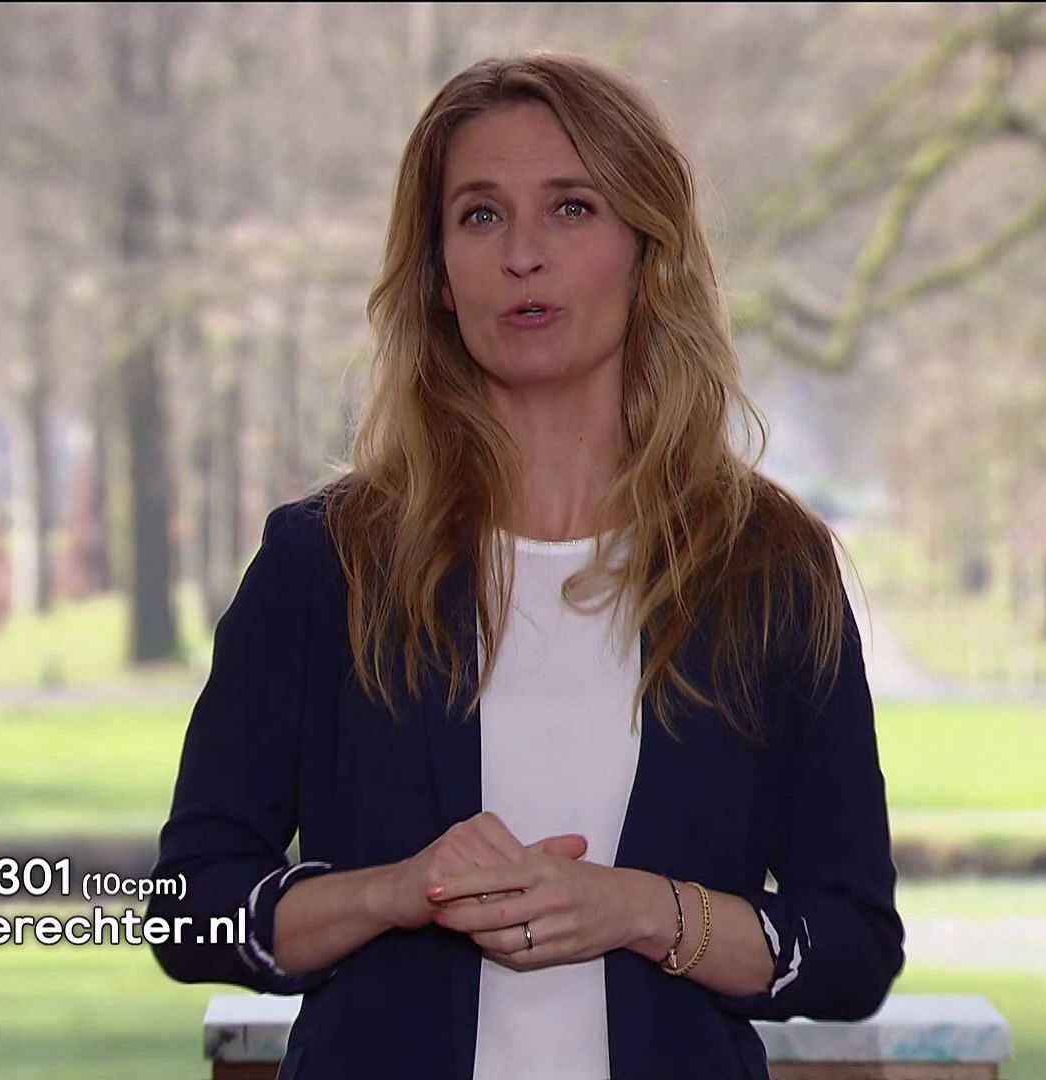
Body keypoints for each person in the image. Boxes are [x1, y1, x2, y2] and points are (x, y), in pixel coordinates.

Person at [147, 50, 903, 1080]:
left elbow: (852, 947)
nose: (522, 256)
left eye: (572, 209)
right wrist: (397, 893)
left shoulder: (767, 567)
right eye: (480, 216)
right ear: (439, 274)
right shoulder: (325, 563)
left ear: (648, 251)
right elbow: (189, 913)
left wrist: (641, 910)